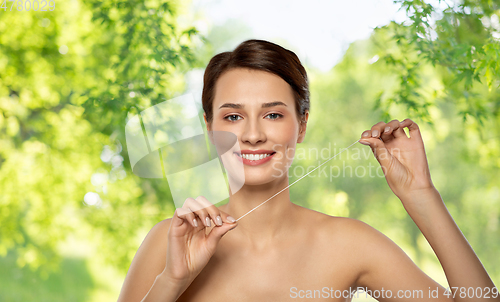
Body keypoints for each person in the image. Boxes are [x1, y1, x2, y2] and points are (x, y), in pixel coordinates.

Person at [117, 39, 498, 302]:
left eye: (272, 114)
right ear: (208, 127)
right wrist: (172, 281)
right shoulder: (170, 243)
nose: (251, 134)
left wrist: (421, 196)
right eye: (233, 116)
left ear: (301, 125)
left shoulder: (348, 244)